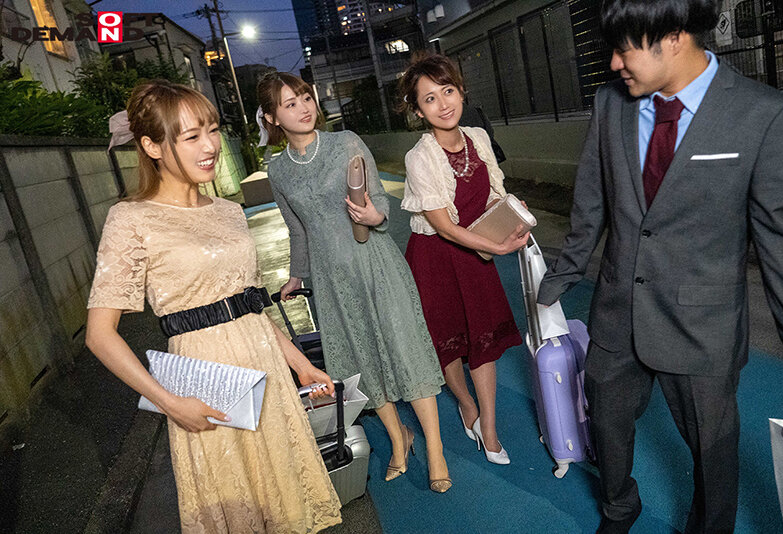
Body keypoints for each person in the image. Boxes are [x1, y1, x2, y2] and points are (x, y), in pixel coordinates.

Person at [537, 1, 783, 532]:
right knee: (605, 425)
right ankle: (619, 507)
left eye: (623, 48)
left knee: (713, 451)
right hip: (617, 312)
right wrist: (555, 282)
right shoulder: (610, 104)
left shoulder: (765, 115)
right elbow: (590, 203)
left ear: (675, 36)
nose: (614, 63)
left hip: (702, 327)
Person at [86, 80, 342, 533]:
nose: (210, 146)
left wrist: (302, 366)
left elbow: (249, 306)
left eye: (212, 130)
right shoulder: (130, 219)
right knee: (237, 503)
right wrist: (168, 402)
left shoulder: (228, 210)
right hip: (203, 385)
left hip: (267, 371)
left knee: (286, 499)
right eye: (191, 136)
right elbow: (99, 335)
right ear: (152, 146)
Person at [256, 71, 452, 493]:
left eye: (306, 97)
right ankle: (399, 439)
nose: (304, 107)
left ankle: (436, 450)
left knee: (405, 349)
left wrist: (375, 216)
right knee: (361, 360)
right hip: (331, 280)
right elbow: (297, 229)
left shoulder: (345, 142)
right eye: (290, 103)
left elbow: (379, 200)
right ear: (272, 117)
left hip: (375, 262)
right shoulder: (278, 170)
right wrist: (295, 274)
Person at [397, 53, 529, 465]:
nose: (443, 104)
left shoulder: (478, 137)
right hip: (436, 259)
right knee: (449, 344)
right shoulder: (419, 157)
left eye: (448, 91)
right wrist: (498, 247)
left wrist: (509, 209)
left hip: (476, 254)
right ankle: (466, 404)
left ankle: (488, 426)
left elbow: (489, 196)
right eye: (430, 99)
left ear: (461, 91)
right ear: (418, 111)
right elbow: (444, 226)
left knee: (483, 341)